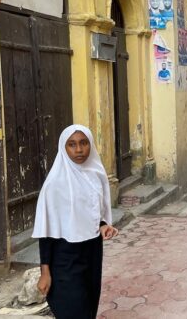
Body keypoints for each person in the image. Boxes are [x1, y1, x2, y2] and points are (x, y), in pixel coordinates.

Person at [33, 125, 119, 319]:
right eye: (72, 145)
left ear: (91, 145)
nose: (79, 150)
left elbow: (96, 210)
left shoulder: (96, 174)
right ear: (64, 148)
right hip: (64, 258)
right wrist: (44, 272)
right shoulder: (55, 184)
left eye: (84, 143)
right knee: (73, 309)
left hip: (92, 252)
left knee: (89, 307)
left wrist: (103, 225)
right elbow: (46, 233)